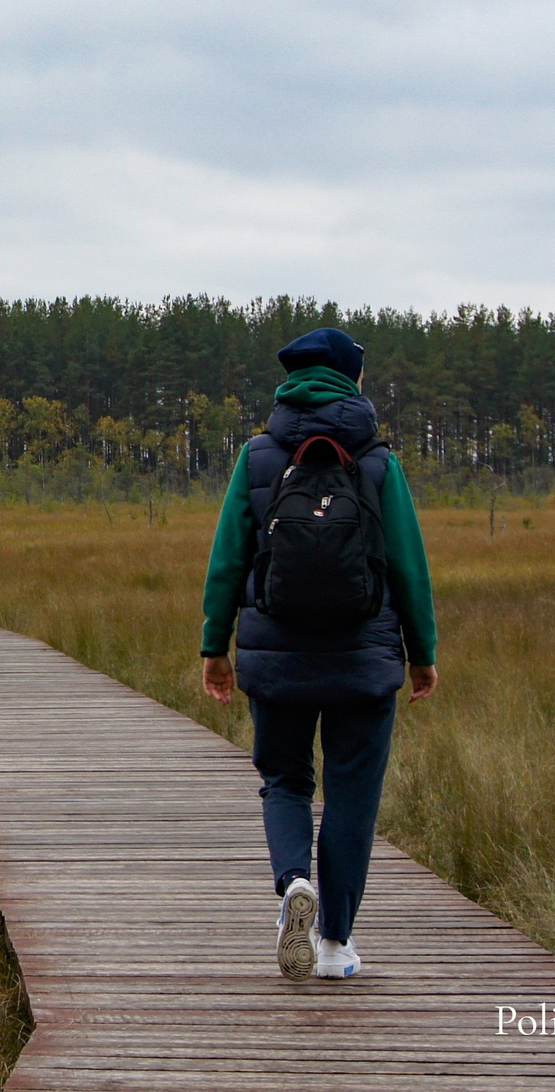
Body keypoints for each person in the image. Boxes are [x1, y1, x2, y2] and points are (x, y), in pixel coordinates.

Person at [201, 328, 437, 984]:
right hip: (365, 661)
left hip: (276, 660)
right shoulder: (379, 464)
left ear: (291, 383)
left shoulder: (256, 458)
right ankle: (333, 943)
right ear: (353, 382)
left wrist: (213, 647)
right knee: (353, 795)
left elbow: (228, 561)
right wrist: (423, 654)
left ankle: (292, 885)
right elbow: (407, 566)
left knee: (285, 780)